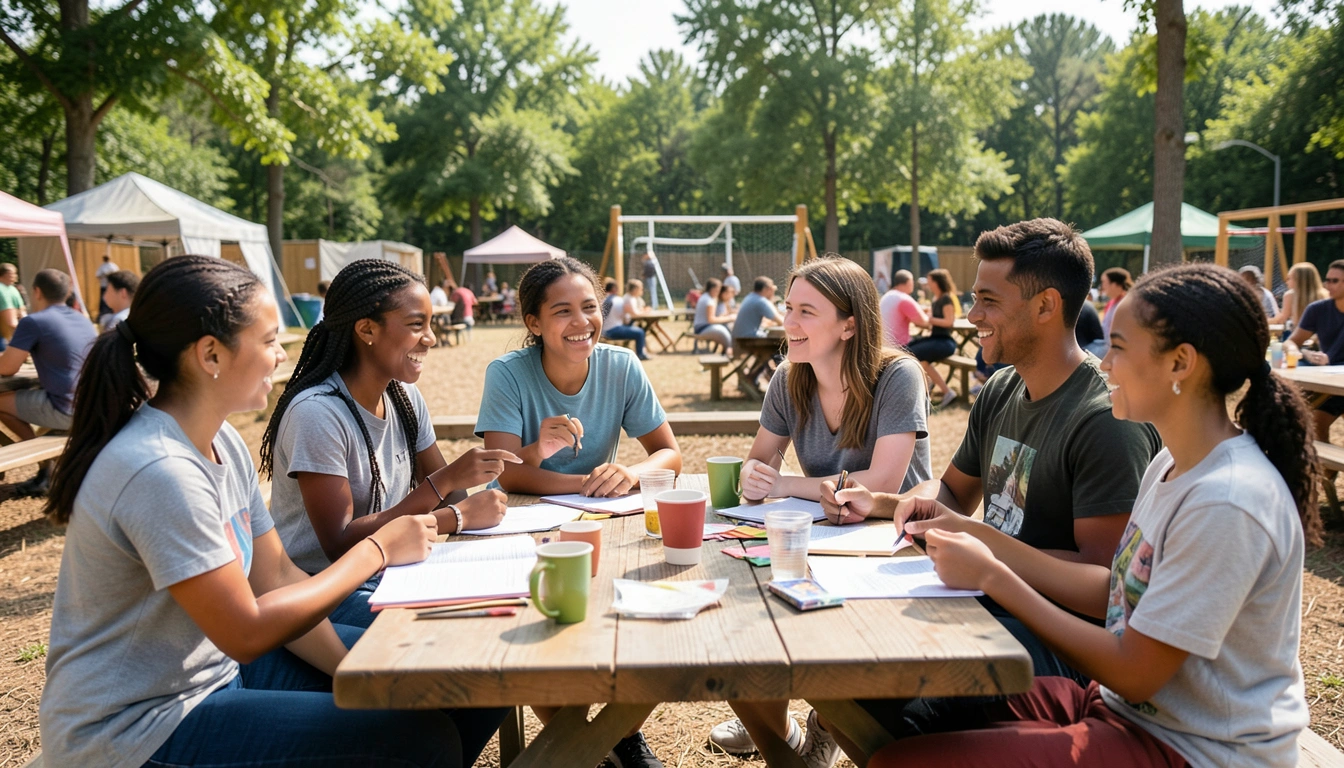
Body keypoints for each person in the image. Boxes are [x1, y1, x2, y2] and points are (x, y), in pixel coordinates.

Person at [39, 255, 502, 768]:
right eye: (268, 341)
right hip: (136, 730)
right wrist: (376, 550)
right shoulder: (159, 469)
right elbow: (247, 630)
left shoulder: (221, 442)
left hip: (219, 675)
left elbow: (277, 576)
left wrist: (361, 674)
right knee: (421, 741)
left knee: (447, 679)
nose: (282, 356)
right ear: (210, 354)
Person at [866, 262, 1315, 768]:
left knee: (898, 762)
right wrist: (969, 538)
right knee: (894, 708)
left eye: (1118, 348)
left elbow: (1136, 674)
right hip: (1123, 709)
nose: (1105, 365)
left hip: (1197, 748)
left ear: (1180, 363)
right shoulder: (1170, 464)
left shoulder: (1226, 501)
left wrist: (992, 574)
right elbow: (1120, 608)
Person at [809, 218, 1162, 766]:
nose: (972, 316)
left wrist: (984, 554)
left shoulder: (1105, 421)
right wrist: (886, 503)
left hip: (1060, 646)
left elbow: (1104, 589)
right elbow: (953, 491)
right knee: (837, 659)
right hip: (978, 602)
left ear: (1046, 306)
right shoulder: (1002, 387)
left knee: (880, 701)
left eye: (988, 301)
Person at [706, 256, 934, 761]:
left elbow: (881, 481)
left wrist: (784, 483)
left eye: (806, 312)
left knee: (812, 623)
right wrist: (755, 476)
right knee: (747, 609)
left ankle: (828, 719)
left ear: (849, 325)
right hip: (819, 534)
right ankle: (776, 724)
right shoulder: (789, 378)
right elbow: (759, 464)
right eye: (788, 308)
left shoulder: (898, 376)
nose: (788, 322)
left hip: (891, 545)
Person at [477, 256, 681, 768]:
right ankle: (586, 744)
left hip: (600, 521)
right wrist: (568, 472)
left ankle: (619, 737)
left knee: (653, 620)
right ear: (534, 322)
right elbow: (503, 472)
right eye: (562, 311)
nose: (581, 322)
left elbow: (668, 454)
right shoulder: (507, 374)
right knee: (538, 627)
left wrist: (631, 472)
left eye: (589, 307)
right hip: (521, 527)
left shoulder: (621, 366)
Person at [261, 259, 515, 629]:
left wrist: (459, 497)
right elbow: (340, 544)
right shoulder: (317, 414)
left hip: (392, 573)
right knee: (454, 630)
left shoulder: (404, 398)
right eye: (416, 325)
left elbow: (453, 498)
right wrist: (451, 502)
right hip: (325, 592)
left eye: (430, 325)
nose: (430, 338)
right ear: (367, 329)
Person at [0, 269, 98, 496]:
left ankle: (45, 467)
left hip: (66, 409)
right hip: (91, 406)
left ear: (37, 292)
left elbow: (7, 368)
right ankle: (46, 469)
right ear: (68, 292)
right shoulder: (82, 320)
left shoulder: (34, 322)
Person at [1289, 259, 1344, 442]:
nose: (1328, 285)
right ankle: (1326, 463)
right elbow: (1291, 342)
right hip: (1328, 381)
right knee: (1315, 423)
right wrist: (1304, 353)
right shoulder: (1317, 309)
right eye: (1327, 280)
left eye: (1334, 281)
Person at [907, 268, 961, 408]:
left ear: (937, 282)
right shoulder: (936, 299)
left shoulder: (946, 299)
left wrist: (930, 319)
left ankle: (931, 389)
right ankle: (934, 391)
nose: (928, 284)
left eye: (930, 281)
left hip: (944, 342)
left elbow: (949, 322)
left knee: (914, 353)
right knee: (910, 351)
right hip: (935, 339)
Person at [1086, 267, 1133, 358]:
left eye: (1104, 282)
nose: (1102, 286)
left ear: (1114, 284)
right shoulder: (1111, 303)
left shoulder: (1128, 305)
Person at [1271, 261, 1327, 336]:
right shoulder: (1325, 295)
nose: (1286, 282)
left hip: (1298, 335)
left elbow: (1281, 320)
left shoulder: (1290, 295)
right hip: (1320, 335)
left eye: (1289, 278)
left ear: (1298, 280)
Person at [600, 279, 650, 361]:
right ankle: (641, 354)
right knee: (640, 332)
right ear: (615, 289)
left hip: (602, 331)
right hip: (613, 330)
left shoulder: (602, 300)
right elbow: (627, 320)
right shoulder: (619, 300)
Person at [879, 269, 928, 347]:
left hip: (883, 344)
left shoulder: (887, 296)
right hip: (899, 346)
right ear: (909, 282)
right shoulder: (904, 299)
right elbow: (923, 322)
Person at [693, 278, 736, 355]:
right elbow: (711, 319)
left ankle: (728, 350)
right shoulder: (709, 300)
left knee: (726, 329)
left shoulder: (705, 297)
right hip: (703, 328)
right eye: (718, 290)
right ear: (713, 289)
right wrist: (730, 318)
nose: (719, 293)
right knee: (725, 332)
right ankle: (730, 351)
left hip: (700, 327)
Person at [0, 263, 28, 352]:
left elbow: (22, 312)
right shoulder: (3, 290)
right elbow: (10, 321)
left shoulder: (13, 289)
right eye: (13, 273)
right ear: (5, 274)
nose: (15, 276)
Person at [95, 253, 118, 319]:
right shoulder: (102, 266)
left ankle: (111, 313)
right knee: (103, 300)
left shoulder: (113, 266)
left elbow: (117, 274)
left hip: (112, 286)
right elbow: (97, 275)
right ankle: (103, 314)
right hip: (104, 286)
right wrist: (104, 275)